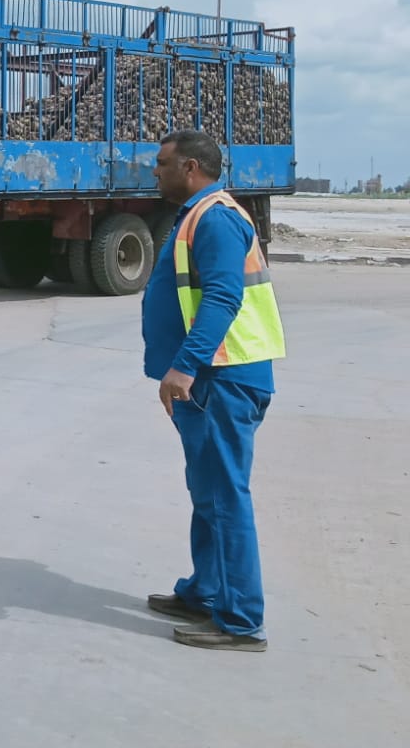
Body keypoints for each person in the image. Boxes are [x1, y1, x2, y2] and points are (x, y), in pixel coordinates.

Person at [142, 129, 286, 652]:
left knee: (224, 496)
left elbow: (223, 297)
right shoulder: (197, 215)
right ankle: (204, 592)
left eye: (163, 163)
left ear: (191, 168)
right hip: (211, 378)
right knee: (207, 493)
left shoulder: (216, 218)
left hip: (222, 378)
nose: (155, 171)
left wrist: (185, 366)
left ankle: (241, 620)